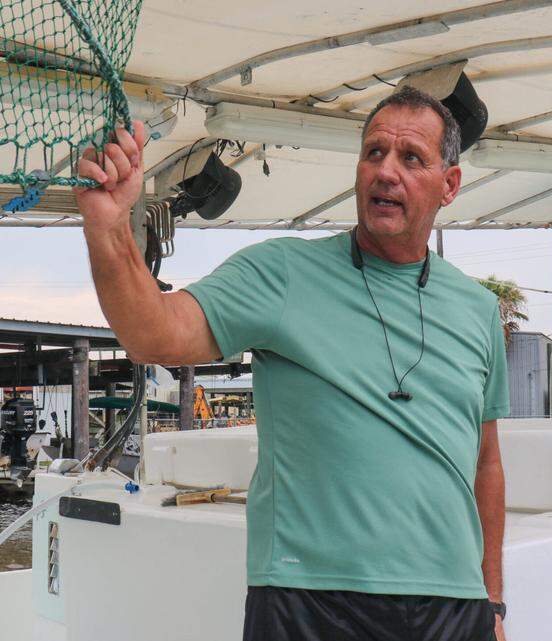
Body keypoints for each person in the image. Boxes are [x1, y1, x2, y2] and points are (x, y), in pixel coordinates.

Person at [75, 85, 508, 641]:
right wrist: (110, 228)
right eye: (373, 152)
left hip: (453, 606)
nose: (385, 171)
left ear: (449, 185)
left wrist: (492, 600)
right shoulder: (281, 274)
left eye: (410, 158)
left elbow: (487, 462)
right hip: (310, 601)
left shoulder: (478, 309)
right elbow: (152, 334)